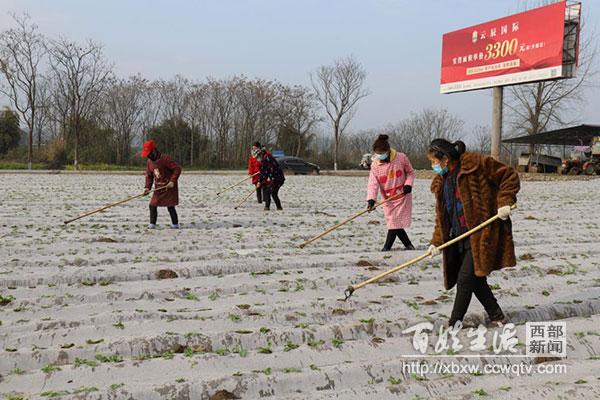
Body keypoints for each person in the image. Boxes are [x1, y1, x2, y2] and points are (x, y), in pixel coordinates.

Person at [427, 138, 520, 328]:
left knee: (465, 280)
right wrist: (436, 242)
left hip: (482, 233)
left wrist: (504, 202)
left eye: (434, 162)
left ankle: (454, 323)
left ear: (445, 158)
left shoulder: (476, 165)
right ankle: (497, 316)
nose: (433, 166)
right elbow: (442, 217)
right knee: (476, 279)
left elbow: (509, 176)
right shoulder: (442, 182)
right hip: (458, 236)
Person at [366, 134, 416, 251]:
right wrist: (371, 200)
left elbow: (411, 173)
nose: (380, 156)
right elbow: (373, 183)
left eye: (382, 153)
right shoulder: (375, 165)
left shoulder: (401, 158)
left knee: (394, 223)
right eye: (377, 154)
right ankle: (408, 245)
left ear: (388, 151)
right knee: (394, 222)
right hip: (388, 199)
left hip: (402, 196)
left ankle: (386, 248)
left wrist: (408, 184)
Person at [141, 140, 182, 229]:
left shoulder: (165, 159)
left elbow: (177, 169)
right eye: (147, 154)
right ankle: (152, 224)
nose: (148, 156)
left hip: (169, 187)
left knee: (170, 206)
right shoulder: (149, 162)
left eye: (149, 153)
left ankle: (175, 225)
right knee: (152, 205)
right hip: (158, 187)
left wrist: (172, 181)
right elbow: (149, 175)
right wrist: (147, 188)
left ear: (154, 150)